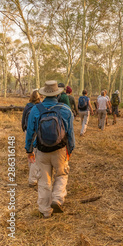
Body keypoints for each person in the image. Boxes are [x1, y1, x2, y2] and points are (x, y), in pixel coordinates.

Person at [25, 80, 75, 219]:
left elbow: (30, 132)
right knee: (61, 175)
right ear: (57, 93)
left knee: (44, 181)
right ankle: (57, 198)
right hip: (60, 150)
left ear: (44, 94)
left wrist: (29, 150)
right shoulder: (65, 110)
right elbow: (70, 134)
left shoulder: (36, 109)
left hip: (41, 150)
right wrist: (70, 150)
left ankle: (45, 211)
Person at [22, 90, 42, 188]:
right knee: (35, 155)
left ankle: (32, 175)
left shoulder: (27, 106)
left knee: (30, 152)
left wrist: (24, 129)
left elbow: (23, 120)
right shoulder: (40, 106)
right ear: (39, 97)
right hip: (36, 132)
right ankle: (32, 179)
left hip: (27, 131)